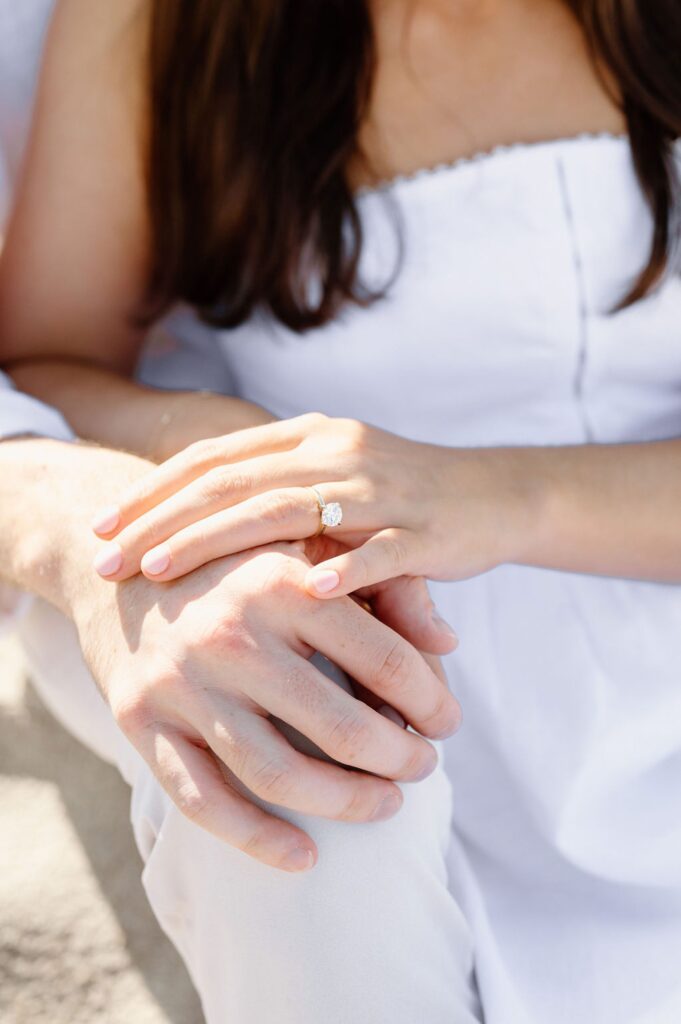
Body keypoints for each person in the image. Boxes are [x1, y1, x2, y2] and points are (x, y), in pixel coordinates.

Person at [1, 1, 681, 1021]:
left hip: (643, 559)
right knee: (287, 723)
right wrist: (224, 441)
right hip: (371, 607)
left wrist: (493, 491)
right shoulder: (162, 24)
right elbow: (50, 362)